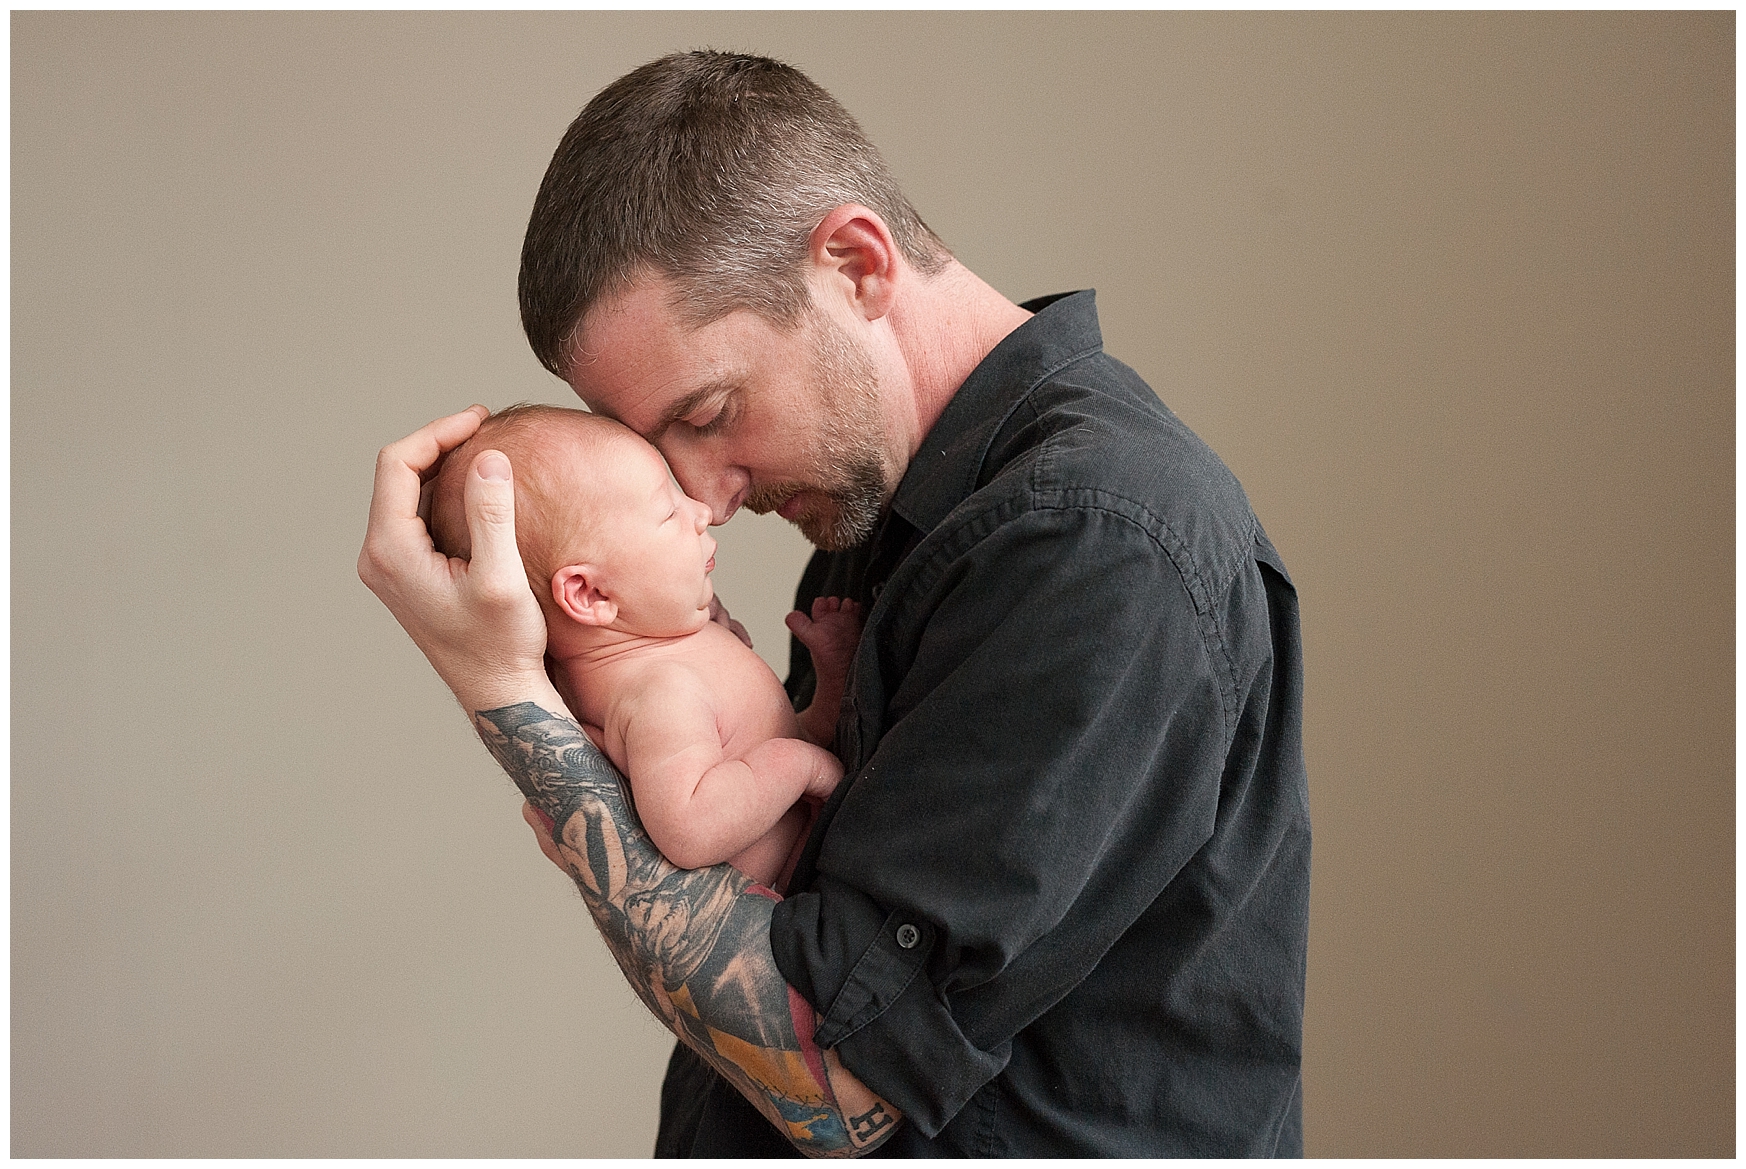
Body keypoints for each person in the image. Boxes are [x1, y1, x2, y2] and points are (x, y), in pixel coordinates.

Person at [361, 50, 1310, 1156]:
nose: (701, 495)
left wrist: (503, 691)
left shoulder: (1096, 541)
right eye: (656, 443)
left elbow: (837, 1074)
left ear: (857, 263)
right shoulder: (886, 524)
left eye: (710, 410)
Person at [425, 403, 863, 889]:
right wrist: (799, 767)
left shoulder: (657, 659)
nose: (701, 512)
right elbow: (692, 827)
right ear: (591, 595)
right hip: (800, 905)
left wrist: (831, 675)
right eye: (669, 509)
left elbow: (763, 747)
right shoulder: (658, 695)